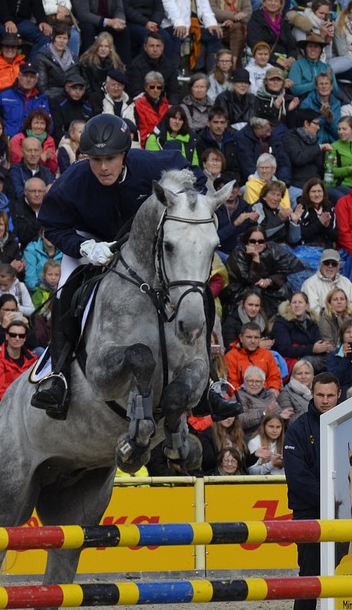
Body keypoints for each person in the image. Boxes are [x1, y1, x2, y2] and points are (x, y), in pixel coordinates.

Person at [29, 113, 224, 420]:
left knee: (195, 289)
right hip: (92, 242)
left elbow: (194, 177)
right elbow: (51, 224)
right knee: (66, 291)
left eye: (110, 158)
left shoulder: (153, 164)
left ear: (125, 154)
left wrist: (191, 207)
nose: (103, 167)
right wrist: (84, 248)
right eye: (95, 159)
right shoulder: (73, 182)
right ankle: (59, 375)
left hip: (142, 245)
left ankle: (210, 380)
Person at [283, 370, 340, 610]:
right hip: (309, 512)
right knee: (309, 574)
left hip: (343, 512)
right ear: (312, 394)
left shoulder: (347, 425)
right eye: (320, 395)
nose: (325, 400)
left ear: (339, 395)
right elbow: (297, 477)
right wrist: (333, 500)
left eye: (330, 395)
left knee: (345, 571)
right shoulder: (298, 429)